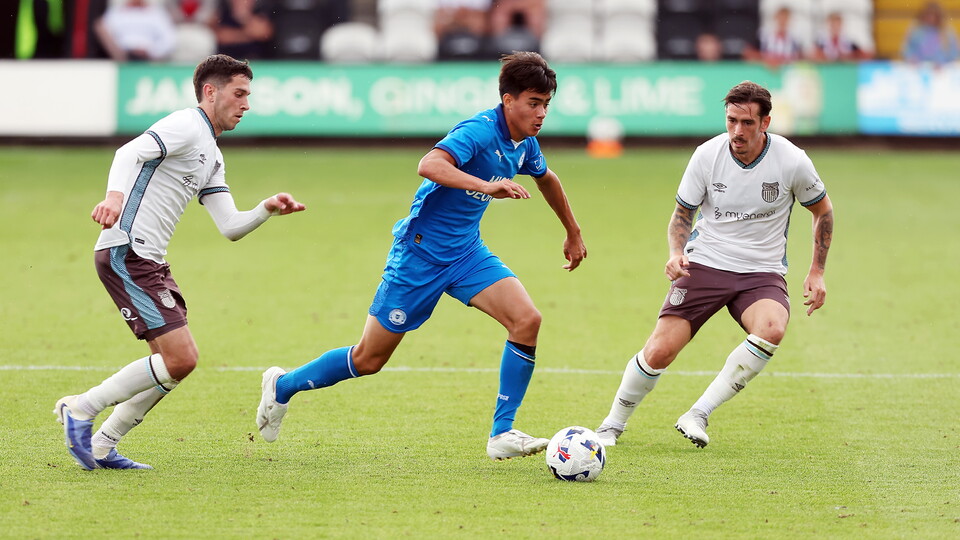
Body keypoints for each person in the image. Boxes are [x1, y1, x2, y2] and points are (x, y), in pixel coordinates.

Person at [257, 51, 587, 461]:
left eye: (546, 105)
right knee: (369, 358)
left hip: (467, 253)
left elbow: (547, 178)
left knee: (527, 320)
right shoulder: (479, 131)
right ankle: (282, 386)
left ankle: (502, 433)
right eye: (534, 103)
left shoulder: (524, 144)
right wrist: (487, 185)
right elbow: (429, 164)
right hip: (419, 256)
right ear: (508, 101)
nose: (541, 114)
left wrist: (572, 232)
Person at [54, 54, 306, 471]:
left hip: (150, 259)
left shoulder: (212, 151)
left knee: (170, 368)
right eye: (239, 93)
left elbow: (229, 226)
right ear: (211, 91)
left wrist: (265, 209)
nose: (246, 104)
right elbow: (129, 152)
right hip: (127, 250)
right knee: (181, 359)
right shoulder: (187, 124)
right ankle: (81, 409)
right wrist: (115, 196)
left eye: (248, 96)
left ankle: (102, 444)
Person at [595, 81, 834, 449]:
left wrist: (816, 270)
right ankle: (611, 426)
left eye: (747, 123)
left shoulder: (791, 160)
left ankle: (698, 413)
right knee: (660, 350)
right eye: (731, 120)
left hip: (761, 271)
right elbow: (681, 215)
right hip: (706, 262)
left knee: (772, 328)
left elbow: (822, 211)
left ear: (766, 122)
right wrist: (676, 252)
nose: (737, 131)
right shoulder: (707, 155)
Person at [94, 0, 177, 61]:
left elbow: (169, 39)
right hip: (122, 58)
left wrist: (152, 52)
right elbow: (106, 33)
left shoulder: (157, 13)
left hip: (149, 60)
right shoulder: (115, 13)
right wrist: (121, 53)